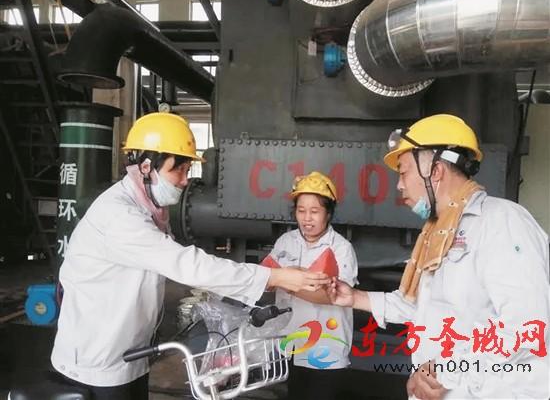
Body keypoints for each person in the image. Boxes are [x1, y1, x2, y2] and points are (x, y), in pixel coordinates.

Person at [50, 112, 329, 400]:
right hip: (97, 360)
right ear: (146, 167)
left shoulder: (152, 208)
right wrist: (275, 277)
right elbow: (186, 264)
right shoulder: (119, 215)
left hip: (130, 354)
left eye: (187, 170)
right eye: (179, 170)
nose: (185, 181)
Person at [329, 114, 550, 399]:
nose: (399, 186)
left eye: (404, 172)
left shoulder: (502, 221)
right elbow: (421, 307)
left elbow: (526, 326)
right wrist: (354, 297)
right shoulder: (437, 232)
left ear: (435, 171)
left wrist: (446, 371)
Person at [261, 171, 358, 400]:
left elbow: (332, 296)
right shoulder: (285, 242)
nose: (307, 218)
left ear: (328, 213)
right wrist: (271, 280)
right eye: (301, 211)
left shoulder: (341, 248)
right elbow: (265, 278)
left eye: (315, 212)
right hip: (290, 343)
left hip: (326, 346)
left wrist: (286, 280)